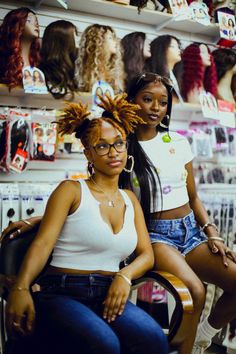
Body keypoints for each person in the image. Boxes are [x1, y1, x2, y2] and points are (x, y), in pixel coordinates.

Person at [4, 94, 168, 354]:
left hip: (109, 291)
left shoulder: (130, 199)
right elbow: (43, 243)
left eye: (119, 144)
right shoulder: (71, 190)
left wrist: (125, 276)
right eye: (102, 146)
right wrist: (22, 287)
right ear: (88, 153)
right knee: (105, 345)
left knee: (155, 340)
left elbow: (147, 255)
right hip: (62, 292)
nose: (113, 152)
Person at [118, 72, 236, 354]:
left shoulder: (178, 142)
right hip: (155, 237)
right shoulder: (123, 147)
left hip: (190, 232)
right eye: (147, 100)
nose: (156, 108)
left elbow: (193, 196)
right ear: (132, 101)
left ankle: (200, 339)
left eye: (162, 102)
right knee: (196, 291)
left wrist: (212, 233)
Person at [0, 7, 40, 89]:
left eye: (36, 22)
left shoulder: (38, 63)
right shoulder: (4, 62)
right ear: (16, 26)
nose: (36, 25)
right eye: (29, 20)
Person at [77, 24, 125, 93]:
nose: (115, 42)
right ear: (99, 43)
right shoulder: (87, 74)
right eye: (110, 38)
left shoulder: (115, 71)